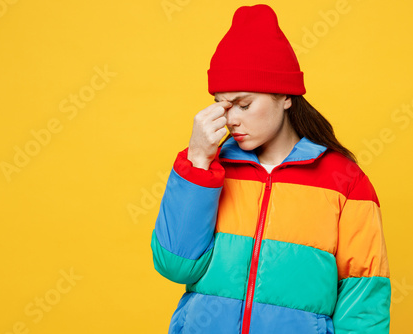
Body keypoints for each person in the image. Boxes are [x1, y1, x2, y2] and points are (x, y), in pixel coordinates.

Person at [151, 4, 391, 334]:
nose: (231, 118)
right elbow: (175, 265)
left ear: (286, 96)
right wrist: (197, 162)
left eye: (244, 104)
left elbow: (363, 296)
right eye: (222, 104)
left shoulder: (345, 182)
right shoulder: (206, 170)